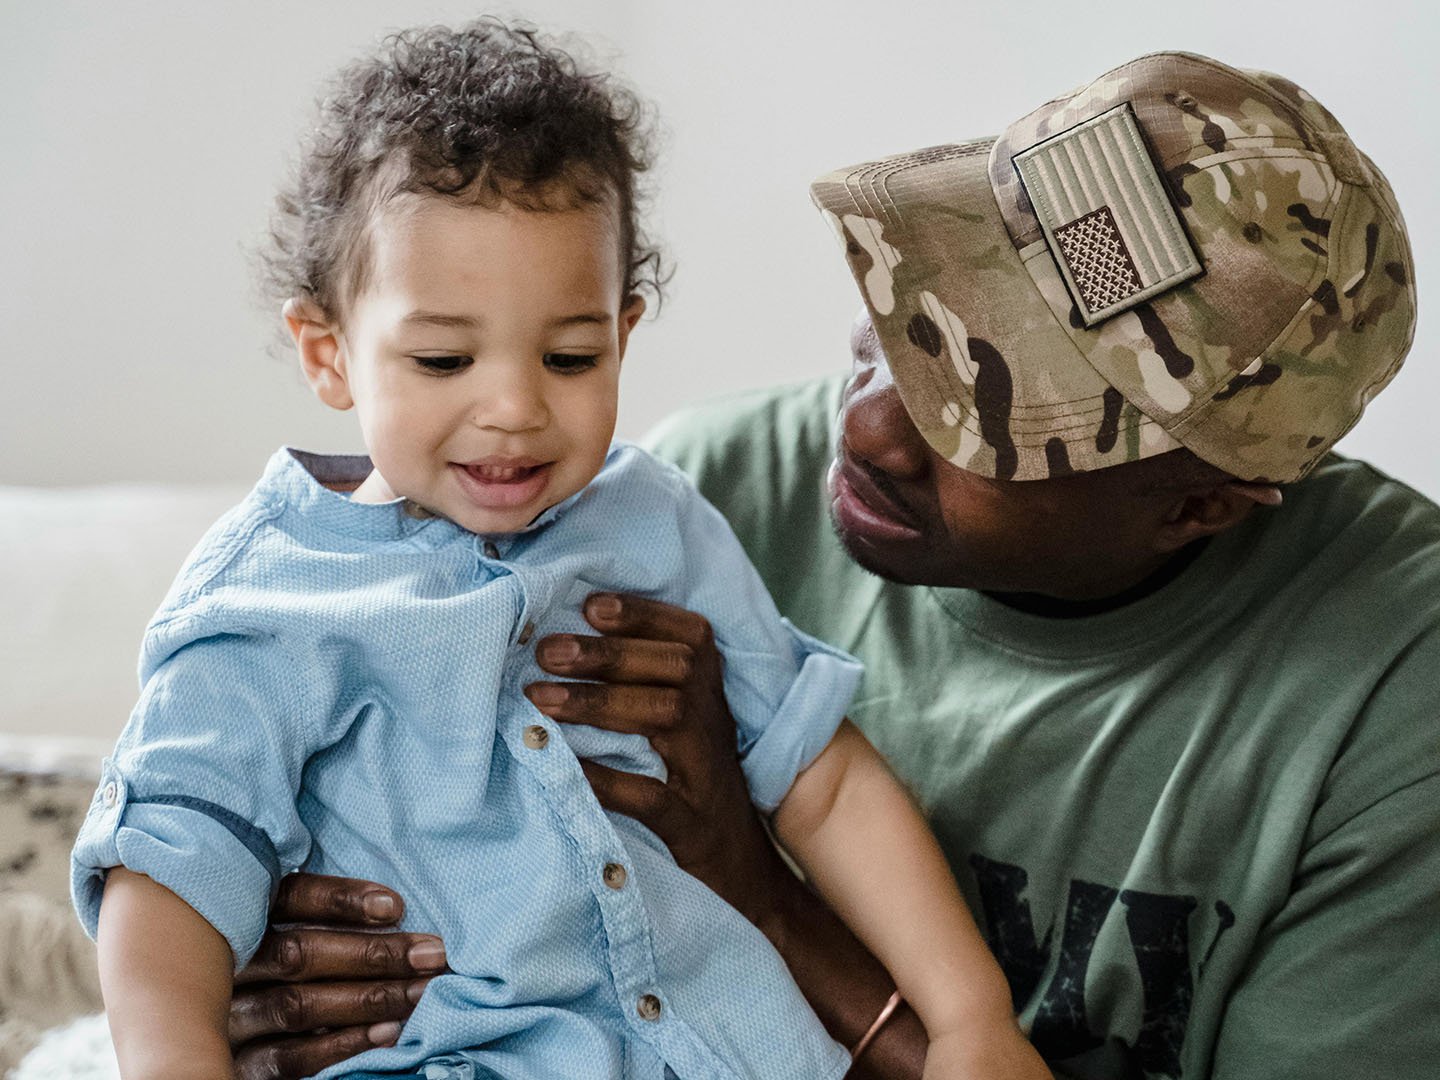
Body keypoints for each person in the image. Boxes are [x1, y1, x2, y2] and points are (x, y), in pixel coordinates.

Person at [211, 50, 1439, 1080]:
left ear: (1204, 506)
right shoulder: (704, 495)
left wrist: (766, 898)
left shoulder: (1391, 693)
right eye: (911, 314)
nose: (864, 425)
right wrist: (283, 948)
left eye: (991, 417)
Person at [68, 19, 1054, 1080]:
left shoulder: (658, 522)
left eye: (571, 355)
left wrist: (969, 1019)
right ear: (328, 353)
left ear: (624, 334)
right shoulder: (271, 598)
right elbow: (168, 869)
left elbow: (820, 780)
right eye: (444, 358)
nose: (515, 408)